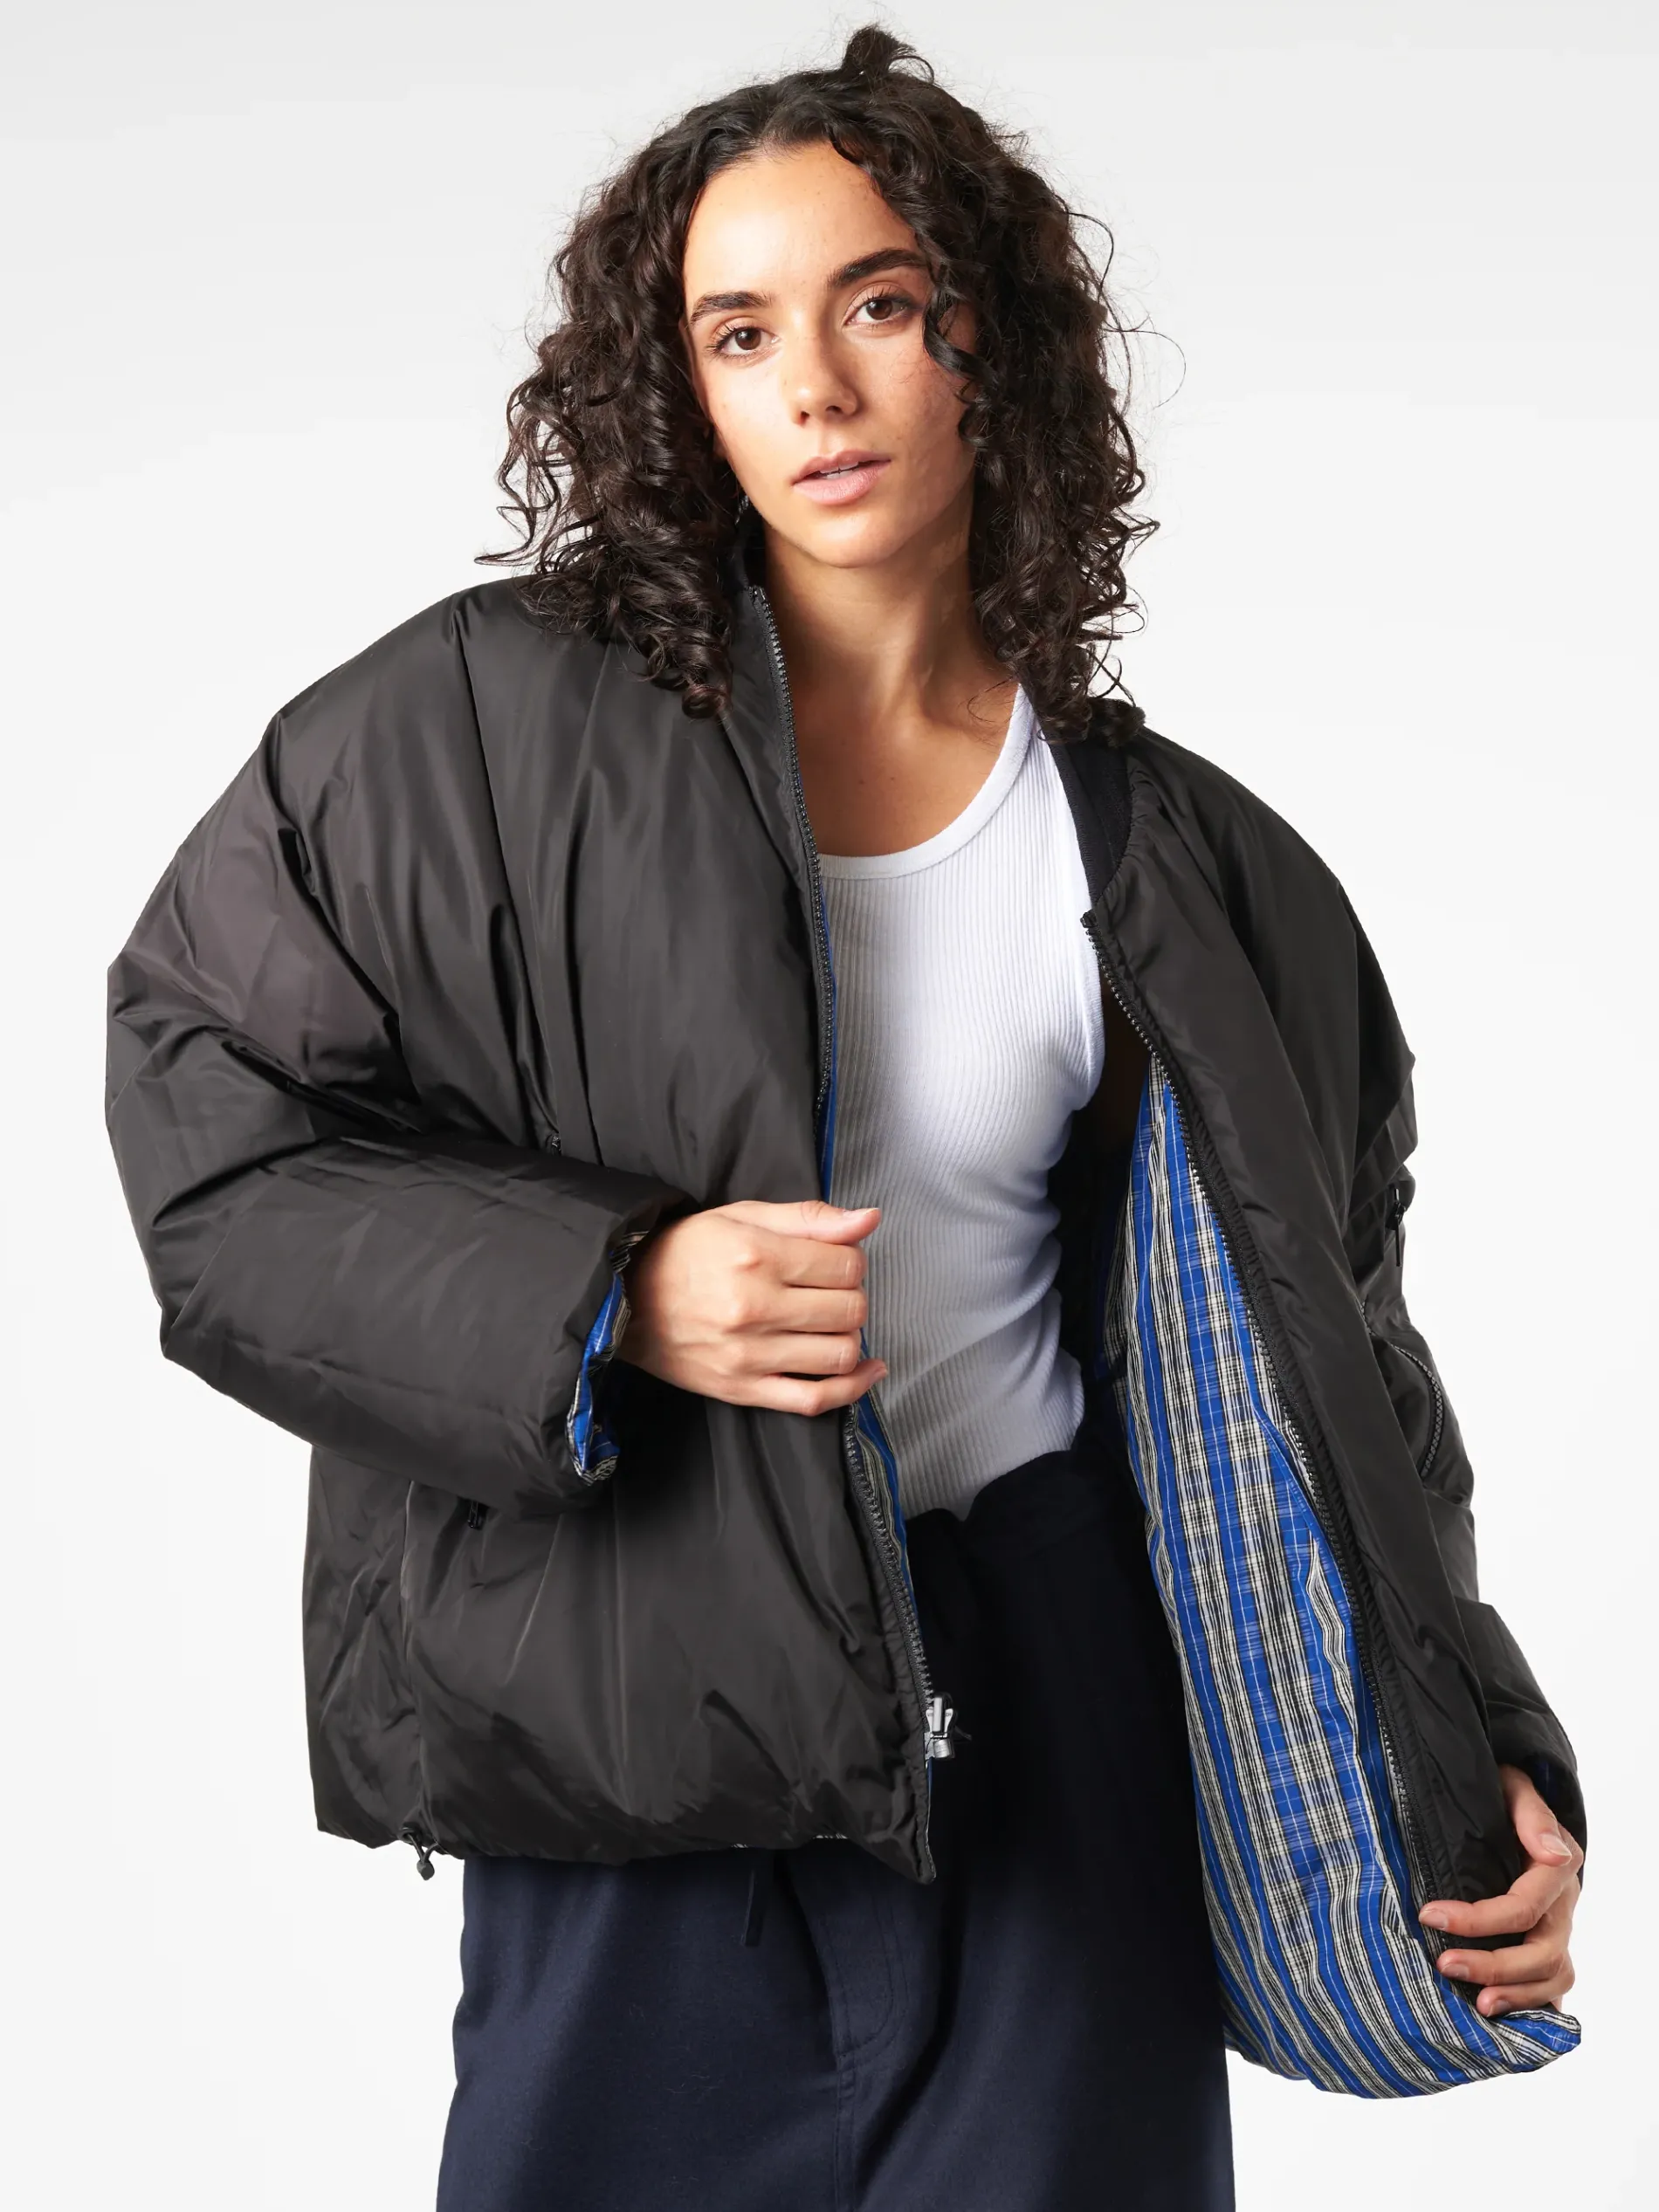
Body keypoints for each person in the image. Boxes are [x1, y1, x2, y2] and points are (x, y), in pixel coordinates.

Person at [103, 25, 1584, 2211]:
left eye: (879, 303)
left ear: (993, 340)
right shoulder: (465, 736)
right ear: (675, 389)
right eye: (738, 331)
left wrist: (1485, 1747)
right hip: (648, 1746)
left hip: (1060, 1737)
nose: (813, 386)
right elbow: (210, 1126)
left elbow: (1345, 1365)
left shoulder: (1203, 869)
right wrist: (608, 1294)